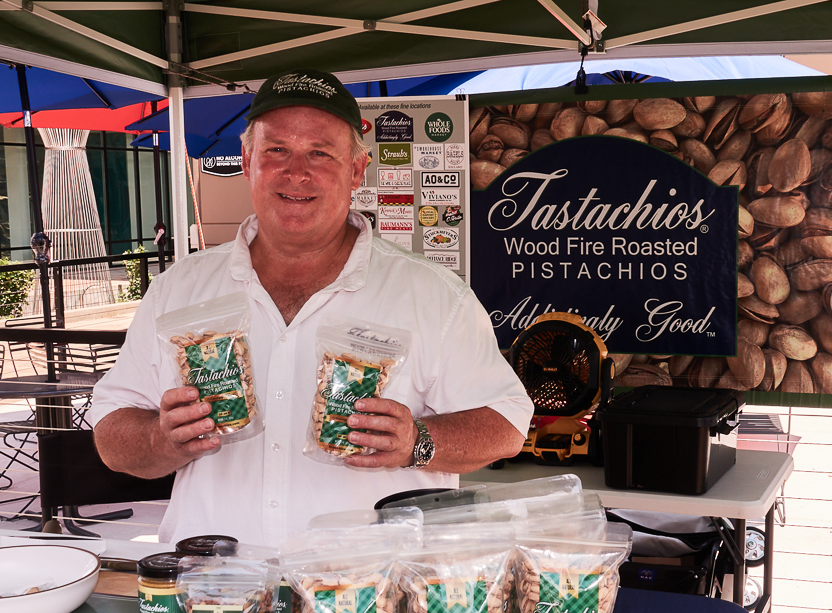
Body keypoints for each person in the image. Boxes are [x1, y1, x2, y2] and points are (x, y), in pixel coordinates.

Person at [89, 69, 533, 546]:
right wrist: (159, 439)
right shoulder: (178, 289)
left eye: (320, 153)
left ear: (357, 170)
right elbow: (111, 433)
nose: (296, 172)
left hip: (369, 585)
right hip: (216, 581)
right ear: (247, 161)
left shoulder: (433, 294)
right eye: (276, 150)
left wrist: (416, 442)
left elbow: (505, 425)